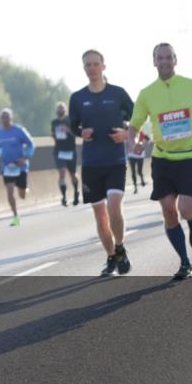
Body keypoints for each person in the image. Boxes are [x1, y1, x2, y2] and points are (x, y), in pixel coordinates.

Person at [128, 43, 192, 281]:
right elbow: (134, 124)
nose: (164, 61)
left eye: (168, 57)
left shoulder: (190, 85)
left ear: (175, 60)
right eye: (159, 58)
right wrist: (131, 142)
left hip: (190, 157)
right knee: (168, 211)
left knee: (185, 210)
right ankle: (185, 262)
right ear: (153, 62)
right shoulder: (146, 93)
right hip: (163, 159)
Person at [68, 49, 134, 276]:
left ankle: (120, 247)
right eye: (88, 65)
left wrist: (126, 134)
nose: (92, 68)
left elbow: (136, 119)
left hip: (115, 161)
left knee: (114, 207)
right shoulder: (77, 98)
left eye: (96, 64)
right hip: (91, 164)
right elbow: (73, 126)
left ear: (104, 66)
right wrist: (81, 132)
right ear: (84, 68)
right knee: (100, 214)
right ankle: (110, 257)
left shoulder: (118, 93)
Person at [0, 108, 35, 227]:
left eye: (7, 116)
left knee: (22, 195)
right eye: (3, 117)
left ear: (11, 118)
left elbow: (31, 144)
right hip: (7, 166)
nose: (5, 119)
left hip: (20, 166)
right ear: (0, 119)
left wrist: (25, 157)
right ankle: (15, 216)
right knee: (9, 191)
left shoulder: (19, 131)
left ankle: (24, 188)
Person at [50, 101, 80, 206]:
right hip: (59, 150)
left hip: (71, 150)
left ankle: (76, 192)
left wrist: (68, 130)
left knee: (73, 174)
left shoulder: (70, 120)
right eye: (58, 109)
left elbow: (77, 133)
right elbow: (53, 134)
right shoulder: (54, 122)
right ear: (56, 111)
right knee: (62, 173)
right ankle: (64, 197)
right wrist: (53, 135)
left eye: (62, 108)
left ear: (65, 110)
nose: (60, 110)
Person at [127, 129, 148, 193]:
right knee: (133, 172)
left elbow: (147, 140)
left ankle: (142, 180)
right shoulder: (128, 132)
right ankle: (135, 187)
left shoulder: (141, 132)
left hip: (139, 155)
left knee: (139, 171)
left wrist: (142, 147)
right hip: (131, 155)